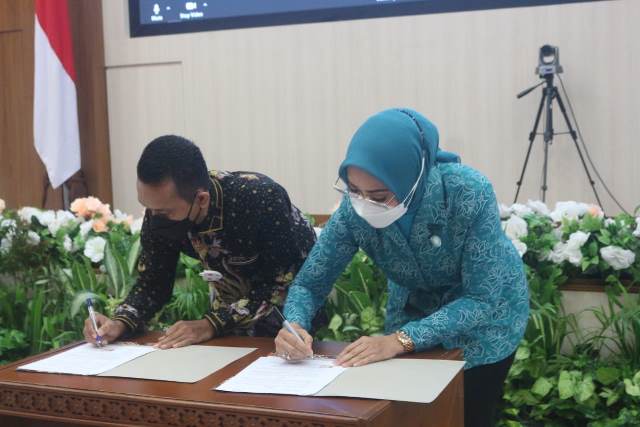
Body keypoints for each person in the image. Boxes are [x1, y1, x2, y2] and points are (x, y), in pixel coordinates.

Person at [275, 108, 529, 426]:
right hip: (413, 308)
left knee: (467, 415)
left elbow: (481, 297)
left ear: (413, 178)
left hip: (486, 320)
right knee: (411, 415)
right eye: (354, 191)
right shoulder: (353, 212)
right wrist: (295, 325)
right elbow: (310, 283)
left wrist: (398, 341)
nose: (365, 204)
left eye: (380, 195)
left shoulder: (468, 192)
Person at [84, 135, 316, 349]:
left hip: (291, 316)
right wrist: (119, 322)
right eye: (148, 208)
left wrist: (211, 324)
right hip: (230, 316)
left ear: (202, 199)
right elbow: (153, 284)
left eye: (163, 212)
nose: (153, 218)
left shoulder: (260, 199)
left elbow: (281, 287)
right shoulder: (161, 209)